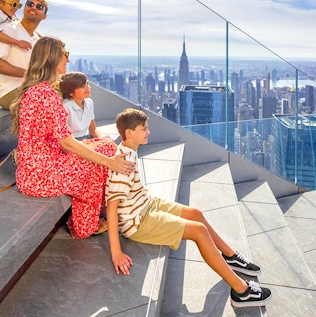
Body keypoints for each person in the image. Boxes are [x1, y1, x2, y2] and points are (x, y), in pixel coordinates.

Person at [105, 108, 273, 308]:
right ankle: (241, 291)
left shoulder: (129, 150)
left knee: (196, 213)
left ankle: (230, 256)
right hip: (138, 222)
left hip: (146, 203)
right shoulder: (124, 163)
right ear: (130, 133)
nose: (148, 132)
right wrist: (116, 252)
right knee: (199, 231)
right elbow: (112, 205)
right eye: (144, 129)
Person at [10, 36, 136, 239]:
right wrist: (110, 163)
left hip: (36, 170)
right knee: (105, 154)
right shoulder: (46, 94)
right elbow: (67, 143)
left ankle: (104, 211)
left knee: (104, 144)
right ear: (51, 58)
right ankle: (86, 224)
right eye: (64, 54)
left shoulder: (36, 91)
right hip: (42, 175)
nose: (67, 59)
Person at [0, 0, 48, 109]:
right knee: (49, 98)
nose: (33, 8)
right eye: (30, 4)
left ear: (44, 16)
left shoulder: (37, 39)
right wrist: (30, 75)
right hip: (9, 91)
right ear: (24, 9)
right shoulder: (6, 29)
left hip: (32, 88)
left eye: (39, 7)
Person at [60, 72, 101, 140]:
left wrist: (102, 140)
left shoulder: (89, 102)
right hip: (73, 141)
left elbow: (93, 130)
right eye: (82, 86)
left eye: (87, 84)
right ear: (70, 92)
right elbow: (65, 139)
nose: (88, 88)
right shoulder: (65, 107)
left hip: (87, 138)